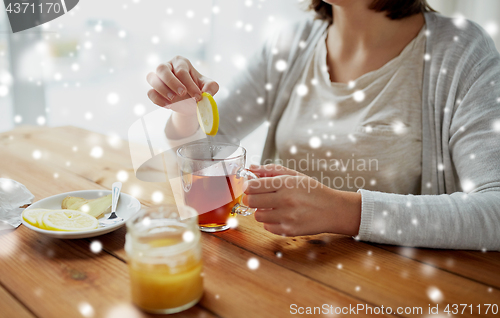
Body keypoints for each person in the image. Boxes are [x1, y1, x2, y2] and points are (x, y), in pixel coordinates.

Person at [146, 0, 500, 250]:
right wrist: (185, 115)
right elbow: (199, 167)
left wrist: (343, 212)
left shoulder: (461, 51)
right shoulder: (291, 44)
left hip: (394, 291)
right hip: (284, 269)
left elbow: (495, 212)